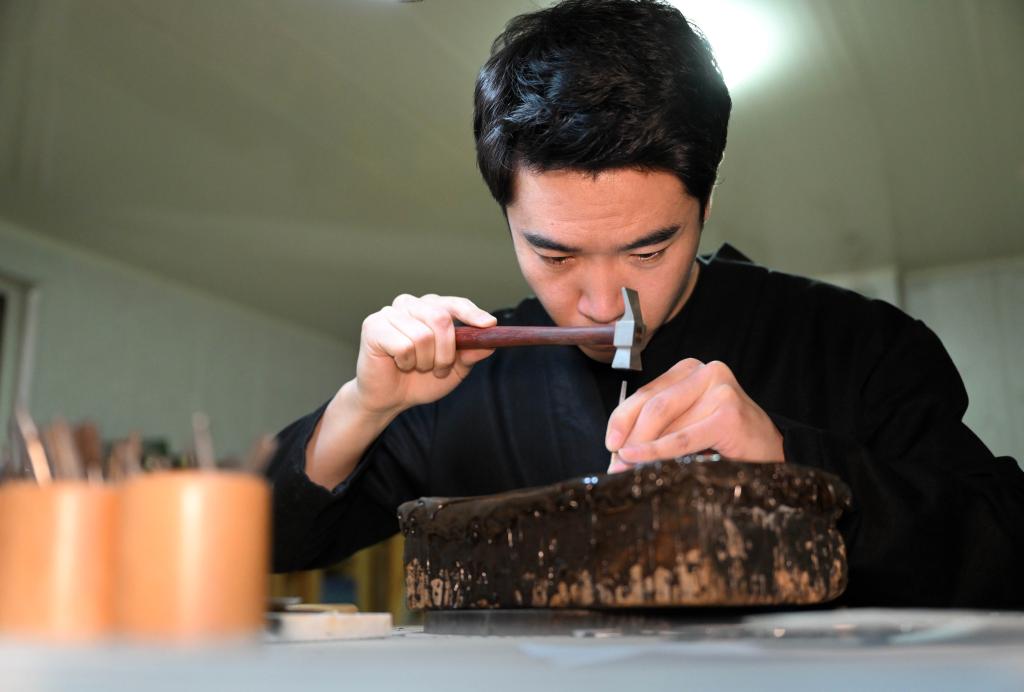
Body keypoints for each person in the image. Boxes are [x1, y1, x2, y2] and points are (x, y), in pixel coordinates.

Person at [267, 0, 1024, 608]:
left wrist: (792, 464)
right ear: (506, 216)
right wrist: (364, 405)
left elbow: (1004, 550)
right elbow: (267, 543)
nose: (601, 304)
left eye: (648, 252)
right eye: (555, 256)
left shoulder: (858, 346)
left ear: (705, 202)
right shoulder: (459, 378)